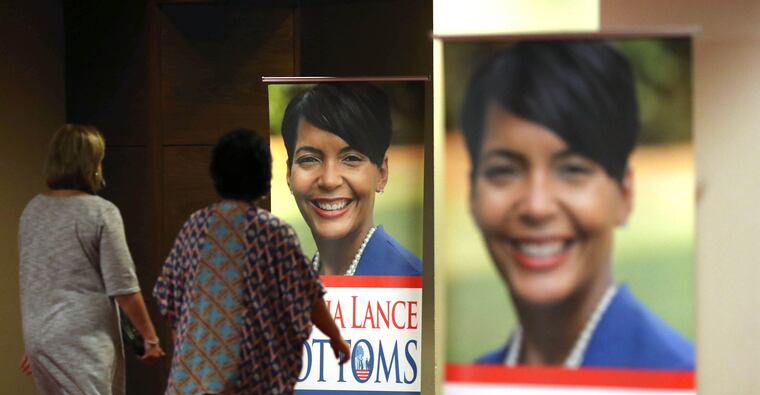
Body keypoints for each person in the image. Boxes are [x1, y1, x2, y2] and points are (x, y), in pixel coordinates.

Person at [460, 40, 694, 369]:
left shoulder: (679, 388)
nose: (537, 206)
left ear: (624, 194)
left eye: (573, 170)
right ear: (472, 194)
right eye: (504, 171)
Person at [153, 128, 351, 395]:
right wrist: (337, 338)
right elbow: (308, 296)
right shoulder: (273, 233)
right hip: (256, 393)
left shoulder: (195, 227)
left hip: (196, 390)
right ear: (263, 176)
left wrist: (194, 355)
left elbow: (169, 300)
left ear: (216, 174)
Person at [18, 124, 165, 395]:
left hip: (43, 336)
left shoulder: (33, 210)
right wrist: (149, 337)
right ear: (90, 164)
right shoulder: (100, 211)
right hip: (84, 338)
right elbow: (123, 285)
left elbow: (33, 281)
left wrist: (37, 338)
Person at [281, 82, 422, 276]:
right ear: (289, 173)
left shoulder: (411, 281)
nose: (330, 180)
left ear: (381, 173)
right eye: (309, 160)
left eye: (351, 159)